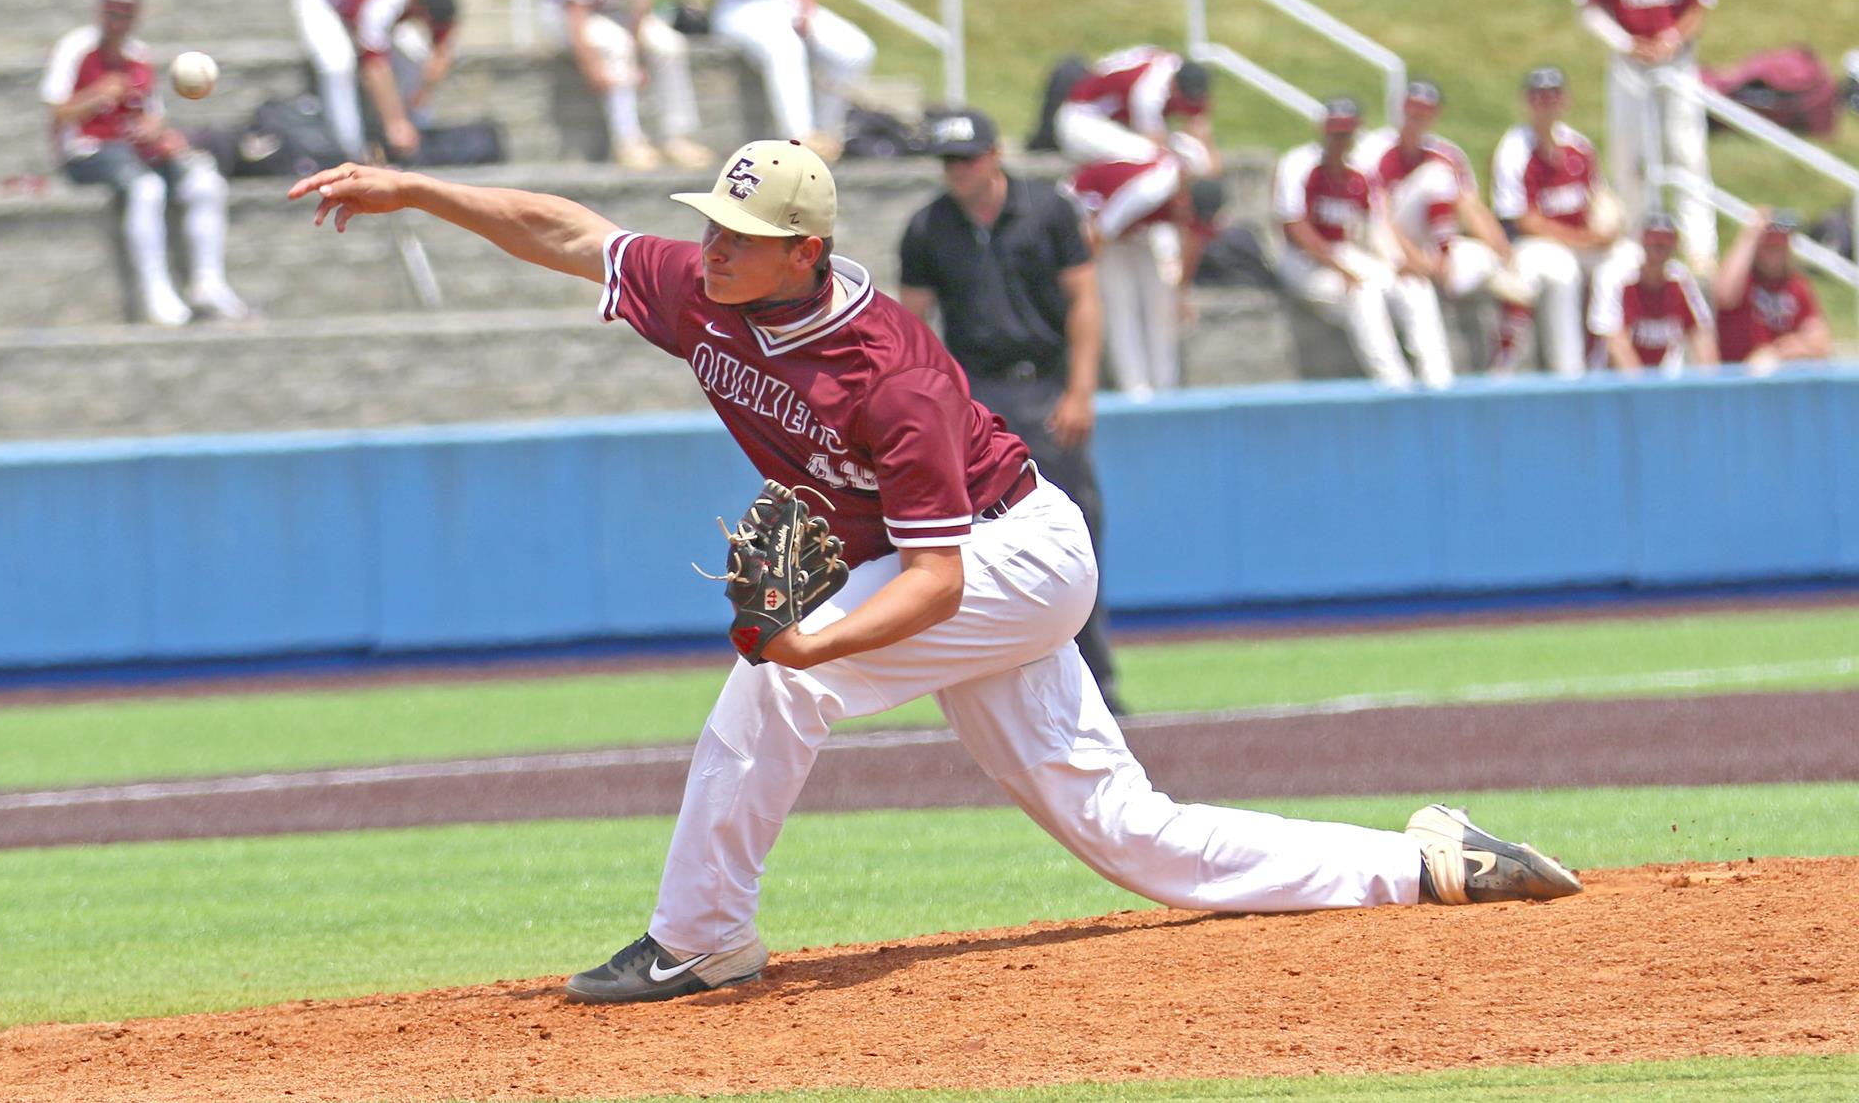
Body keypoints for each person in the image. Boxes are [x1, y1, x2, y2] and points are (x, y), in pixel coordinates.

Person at [291, 137, 1584, 1007]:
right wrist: (418, 190)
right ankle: (1423, 862)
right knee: (1128, 833)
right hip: (958, 569)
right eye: (715, 227)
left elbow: (938, 590)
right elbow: (571, 232)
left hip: (1012, 554)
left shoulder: (888, 371)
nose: (715, 247)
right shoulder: (707, 291)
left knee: (777, 688)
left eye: (742, 234)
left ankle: (700, 939)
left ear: (804, 250)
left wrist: (809, 647)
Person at [896, 109, 1125, 717]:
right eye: (949, 161)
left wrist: (1080, 390)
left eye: (967, 158)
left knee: (1078, 532)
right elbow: (911, 326)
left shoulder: (1047, 210)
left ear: (995, 155)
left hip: (1043, 387)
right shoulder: (927, 227)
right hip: (975, 400)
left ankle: (1095, 681)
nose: (957, 171)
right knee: (971, 542)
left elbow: (1084, 299)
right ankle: (996, 687)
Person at [41, 0, 251, 326]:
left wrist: (158, 133)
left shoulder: (138, 56)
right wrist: (95, 96)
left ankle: (208, 283)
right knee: (147, 189)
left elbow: (152, 114)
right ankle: (157, 295)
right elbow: (56, 111)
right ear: (100, 11)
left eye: (125, 14)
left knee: (206, 182)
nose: (117, 21)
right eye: (111, 12)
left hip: (133, 149)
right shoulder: (77, 48)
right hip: (88, 150)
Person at [1274, 98, 1453, 389]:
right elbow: (1294, 228)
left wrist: (1399, 262)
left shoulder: (1360, 170)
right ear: (1323, 130)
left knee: (1413, 286)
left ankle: (1438, 381)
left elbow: (1378, 226)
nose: (1340, 140)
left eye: (1346, 133)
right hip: (1302, 261)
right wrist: (1341, 269)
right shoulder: (1299, 164)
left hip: (1345, 254)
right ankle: (1394, 385)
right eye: (1335, 132)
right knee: (1363, 294)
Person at [1352, 78, 1532, 353]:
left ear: (1435, 114)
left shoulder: (1446, 153)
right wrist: (1417, 261)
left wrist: (1505, 256)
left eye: (1424, 111)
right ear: (1401, 108)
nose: (1416, 117)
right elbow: (1379, 222)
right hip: (1386, 247)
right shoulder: (1374, 150)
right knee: (1436, 178)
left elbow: (1472, 208)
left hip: (1434, 245)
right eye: (1412, 109)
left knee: (1494, 267)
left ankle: (1502, 365)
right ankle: (1441, 273)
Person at [1489, 66, 1640, 376]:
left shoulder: (1578, 146)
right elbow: (1524, 220)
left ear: (1565, 100)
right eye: (1539, 96)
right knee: (1563, 273)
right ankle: (1569, 371)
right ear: (1528, 102)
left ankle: (1603, 358)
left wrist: (1609, 229)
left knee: (1629, 259)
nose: (1547, 102)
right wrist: (1584, 240)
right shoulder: (1515, 148)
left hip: (1580, 239)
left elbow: (1599, 198)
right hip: (1532, 245)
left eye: (1553, 95)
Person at [1573, 0, 1717, 273]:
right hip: (1628, 64)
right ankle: (1637, 244)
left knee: (1687, 153)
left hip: (1677, 62)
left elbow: (1699, 5)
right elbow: (1587, 7)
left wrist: (1673, 37)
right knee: (1630, 155)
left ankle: (1700, 249)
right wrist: (1625, 42)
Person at [1061, 144, 1209, 398]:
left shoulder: (1197, 197)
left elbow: (1192, 243)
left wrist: (1181, 294)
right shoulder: (1151, 190)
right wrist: (1081, 287)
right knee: (1119, 300)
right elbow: (1099, 233)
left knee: (1162, 300)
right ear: (1183, 192)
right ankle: (1134, 388)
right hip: (1084, 211)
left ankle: (1165, 386)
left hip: (1131, 230)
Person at [539, 0, 714, 171]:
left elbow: (640, 7)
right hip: (563, 16)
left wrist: (638, 55)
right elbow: (575, 14)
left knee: (669, 45)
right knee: (616, 44)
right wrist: (593, 66)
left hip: (612, 12)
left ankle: (677, 138)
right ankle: (628, 141)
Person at [708, 0, 876, 161]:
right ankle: (799, 138)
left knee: (856, 50)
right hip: (739, 6)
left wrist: (805, 10)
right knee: (785, 47)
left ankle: (825, 134)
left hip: (785, 1)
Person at [292, 0, 458, 163]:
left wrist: (421, 94)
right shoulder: (380, 5)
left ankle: (420, 132)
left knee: (416, 58)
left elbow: (441, 51)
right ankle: (351, 151)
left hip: (366, 12)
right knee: (338, 66)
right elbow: (374, 69)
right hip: (326, 4)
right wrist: (395, 123)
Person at [1053, 44, 1218, 175]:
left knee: (1186, 155)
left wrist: (1208, 160)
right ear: (1174, 86)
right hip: (1080, 122)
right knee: (1153, 158)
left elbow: (1201, 132)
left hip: (1116, 123)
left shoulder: (1179, 69)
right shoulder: (1149, 91)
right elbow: (1156, 142)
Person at [1588, 211, 1717, 374]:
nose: (1659, 249)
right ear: (1641, 242)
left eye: (1665, 243)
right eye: (1653, 242)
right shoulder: (1615, 277)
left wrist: (1712, 386)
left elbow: (1701, 334)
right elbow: (1616, 343)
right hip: (1611, 382)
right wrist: (1644, 392)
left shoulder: (1680, 279)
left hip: (1661, 381)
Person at [1713, 209, 1832, 369]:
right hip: (1739, 375)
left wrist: (1796, 347)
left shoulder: (1796, 285)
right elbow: (1723, 296)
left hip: (1783, 377)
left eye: (1780, 247)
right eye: (1769, 247)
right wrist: (1750, 234)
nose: (1775, 254)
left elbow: (1821, 340)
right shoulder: (1743, 281)